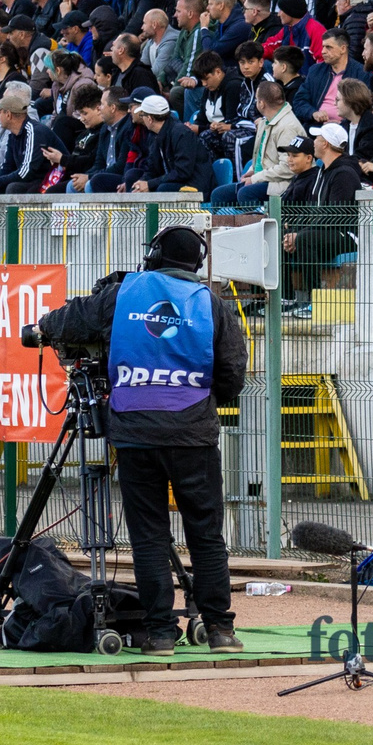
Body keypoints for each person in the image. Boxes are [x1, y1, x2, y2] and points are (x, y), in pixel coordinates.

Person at [102, 225, 245, 652]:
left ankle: (161, 632)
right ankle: (219, 629)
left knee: (149, 537)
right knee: (205, 534)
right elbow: (233, 374)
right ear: (197, 263)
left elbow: (65, 321)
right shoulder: (213, 305)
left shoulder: (123, 293)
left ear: (154, 255)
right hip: (193, 435)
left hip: (134, 433)